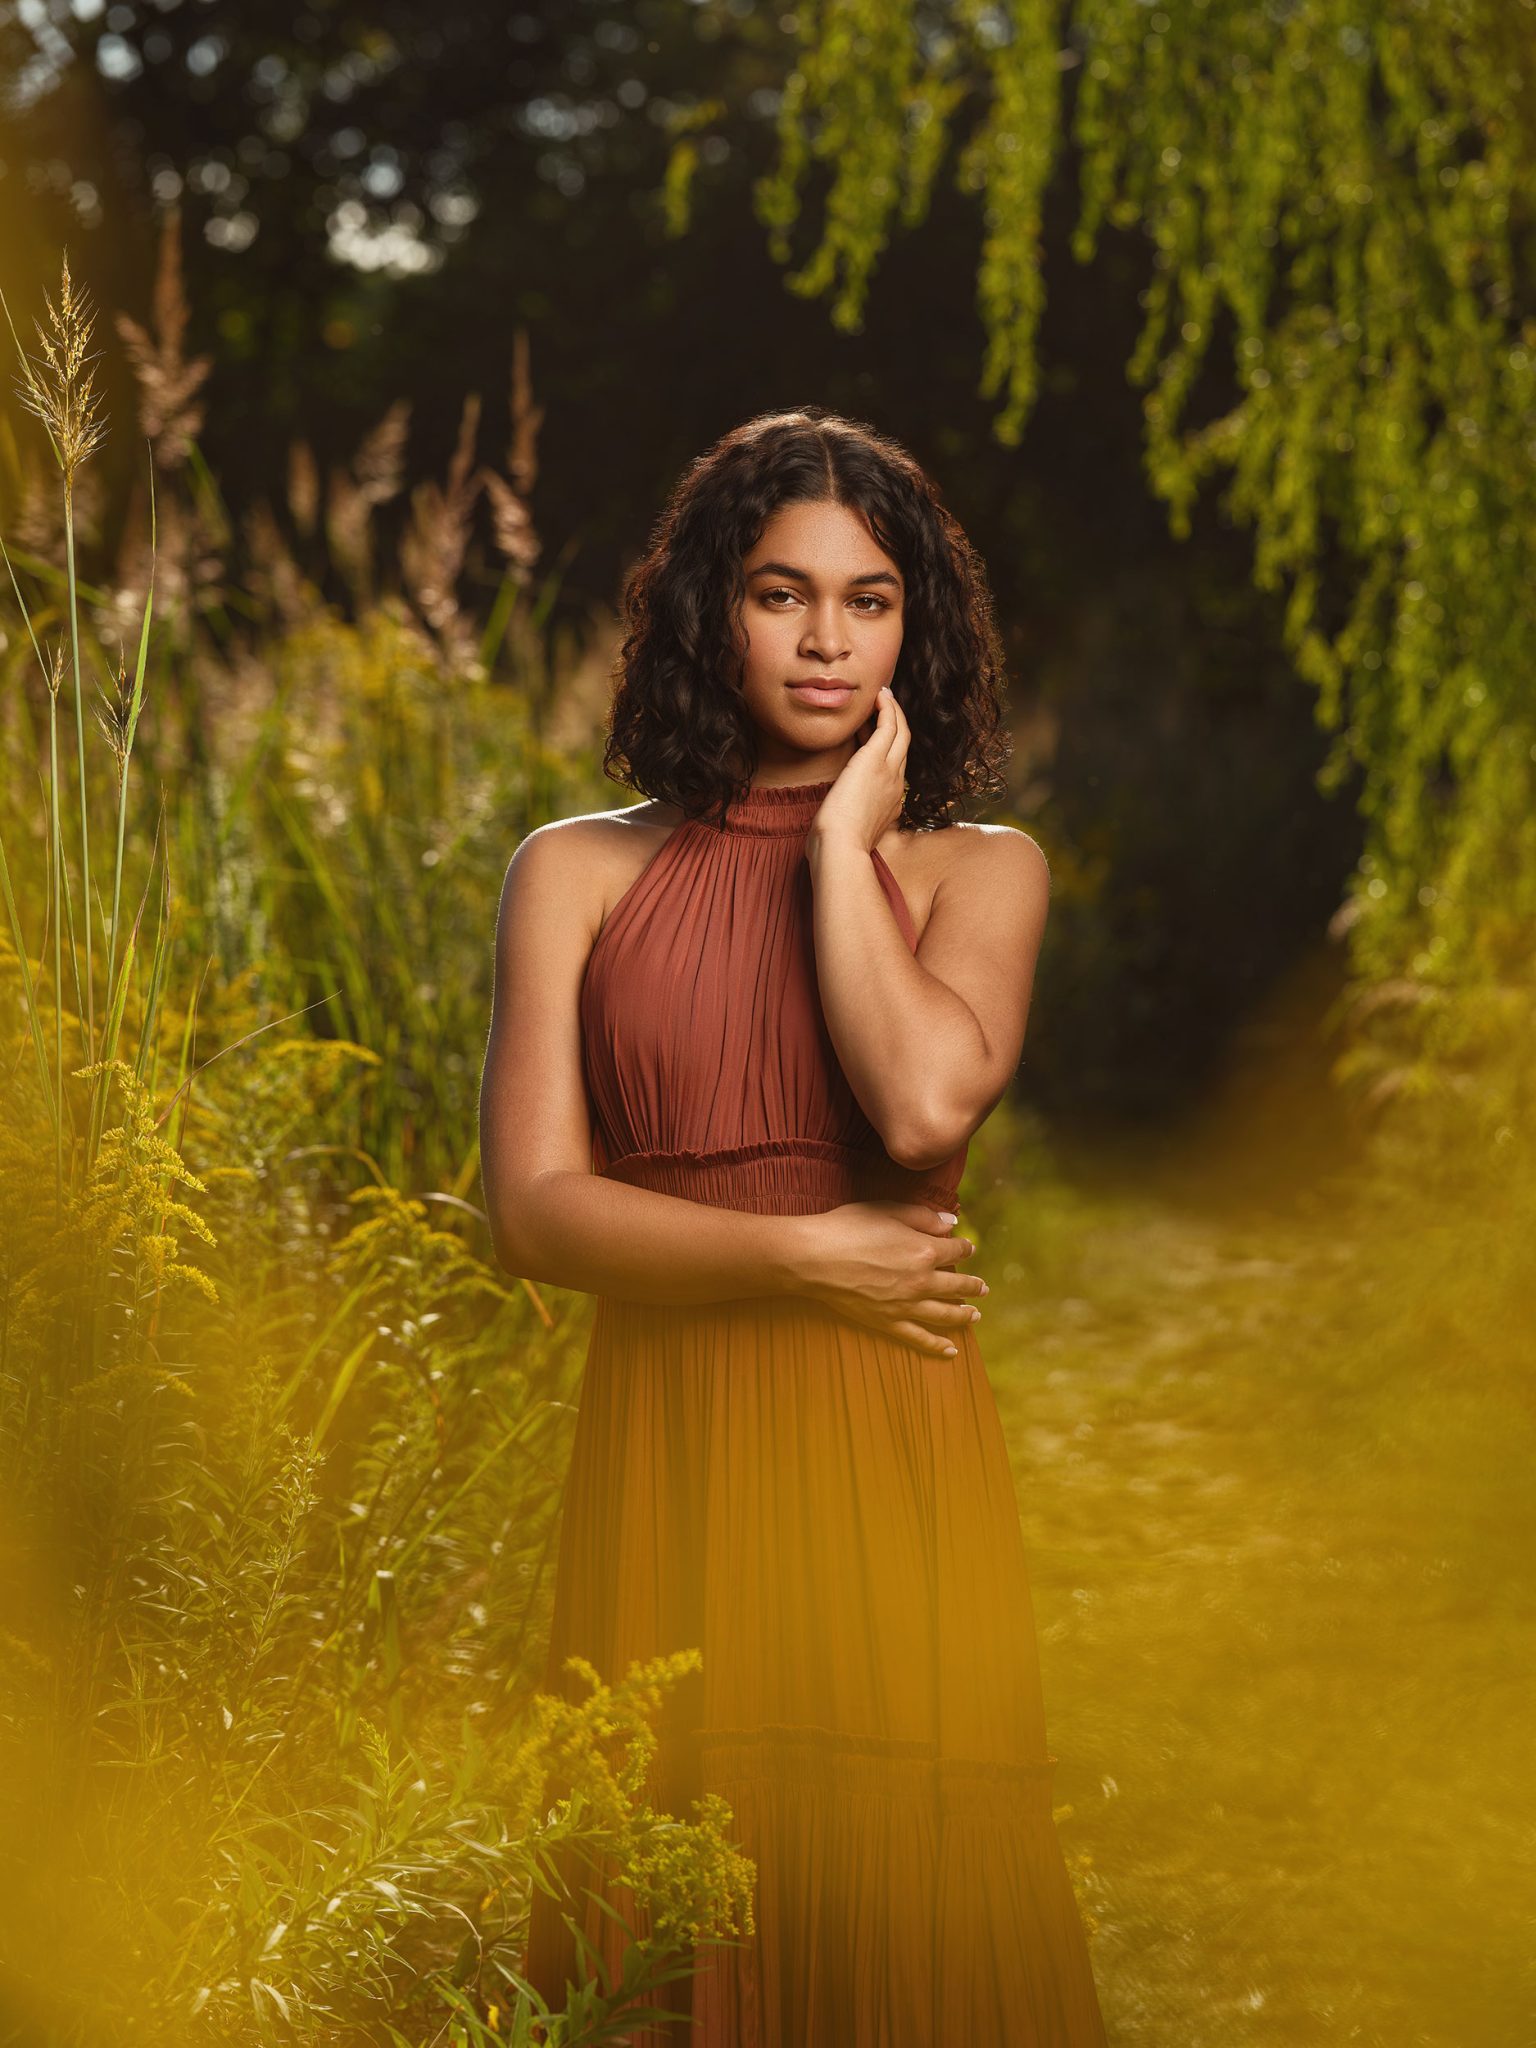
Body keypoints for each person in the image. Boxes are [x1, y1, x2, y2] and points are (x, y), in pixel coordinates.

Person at [479, 407, 1110, 2044]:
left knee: (892, 1868)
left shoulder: (981, 874)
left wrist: (841, 842)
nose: (827, 638)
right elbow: (536, 1213)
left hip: (884, 1443)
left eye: (870, 598)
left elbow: (914, 1115)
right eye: (781, 593)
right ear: (713, 610)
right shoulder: (576, 873)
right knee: (665, 1883)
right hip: (674, 1450)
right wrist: (798, 1255)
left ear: (920, 628)